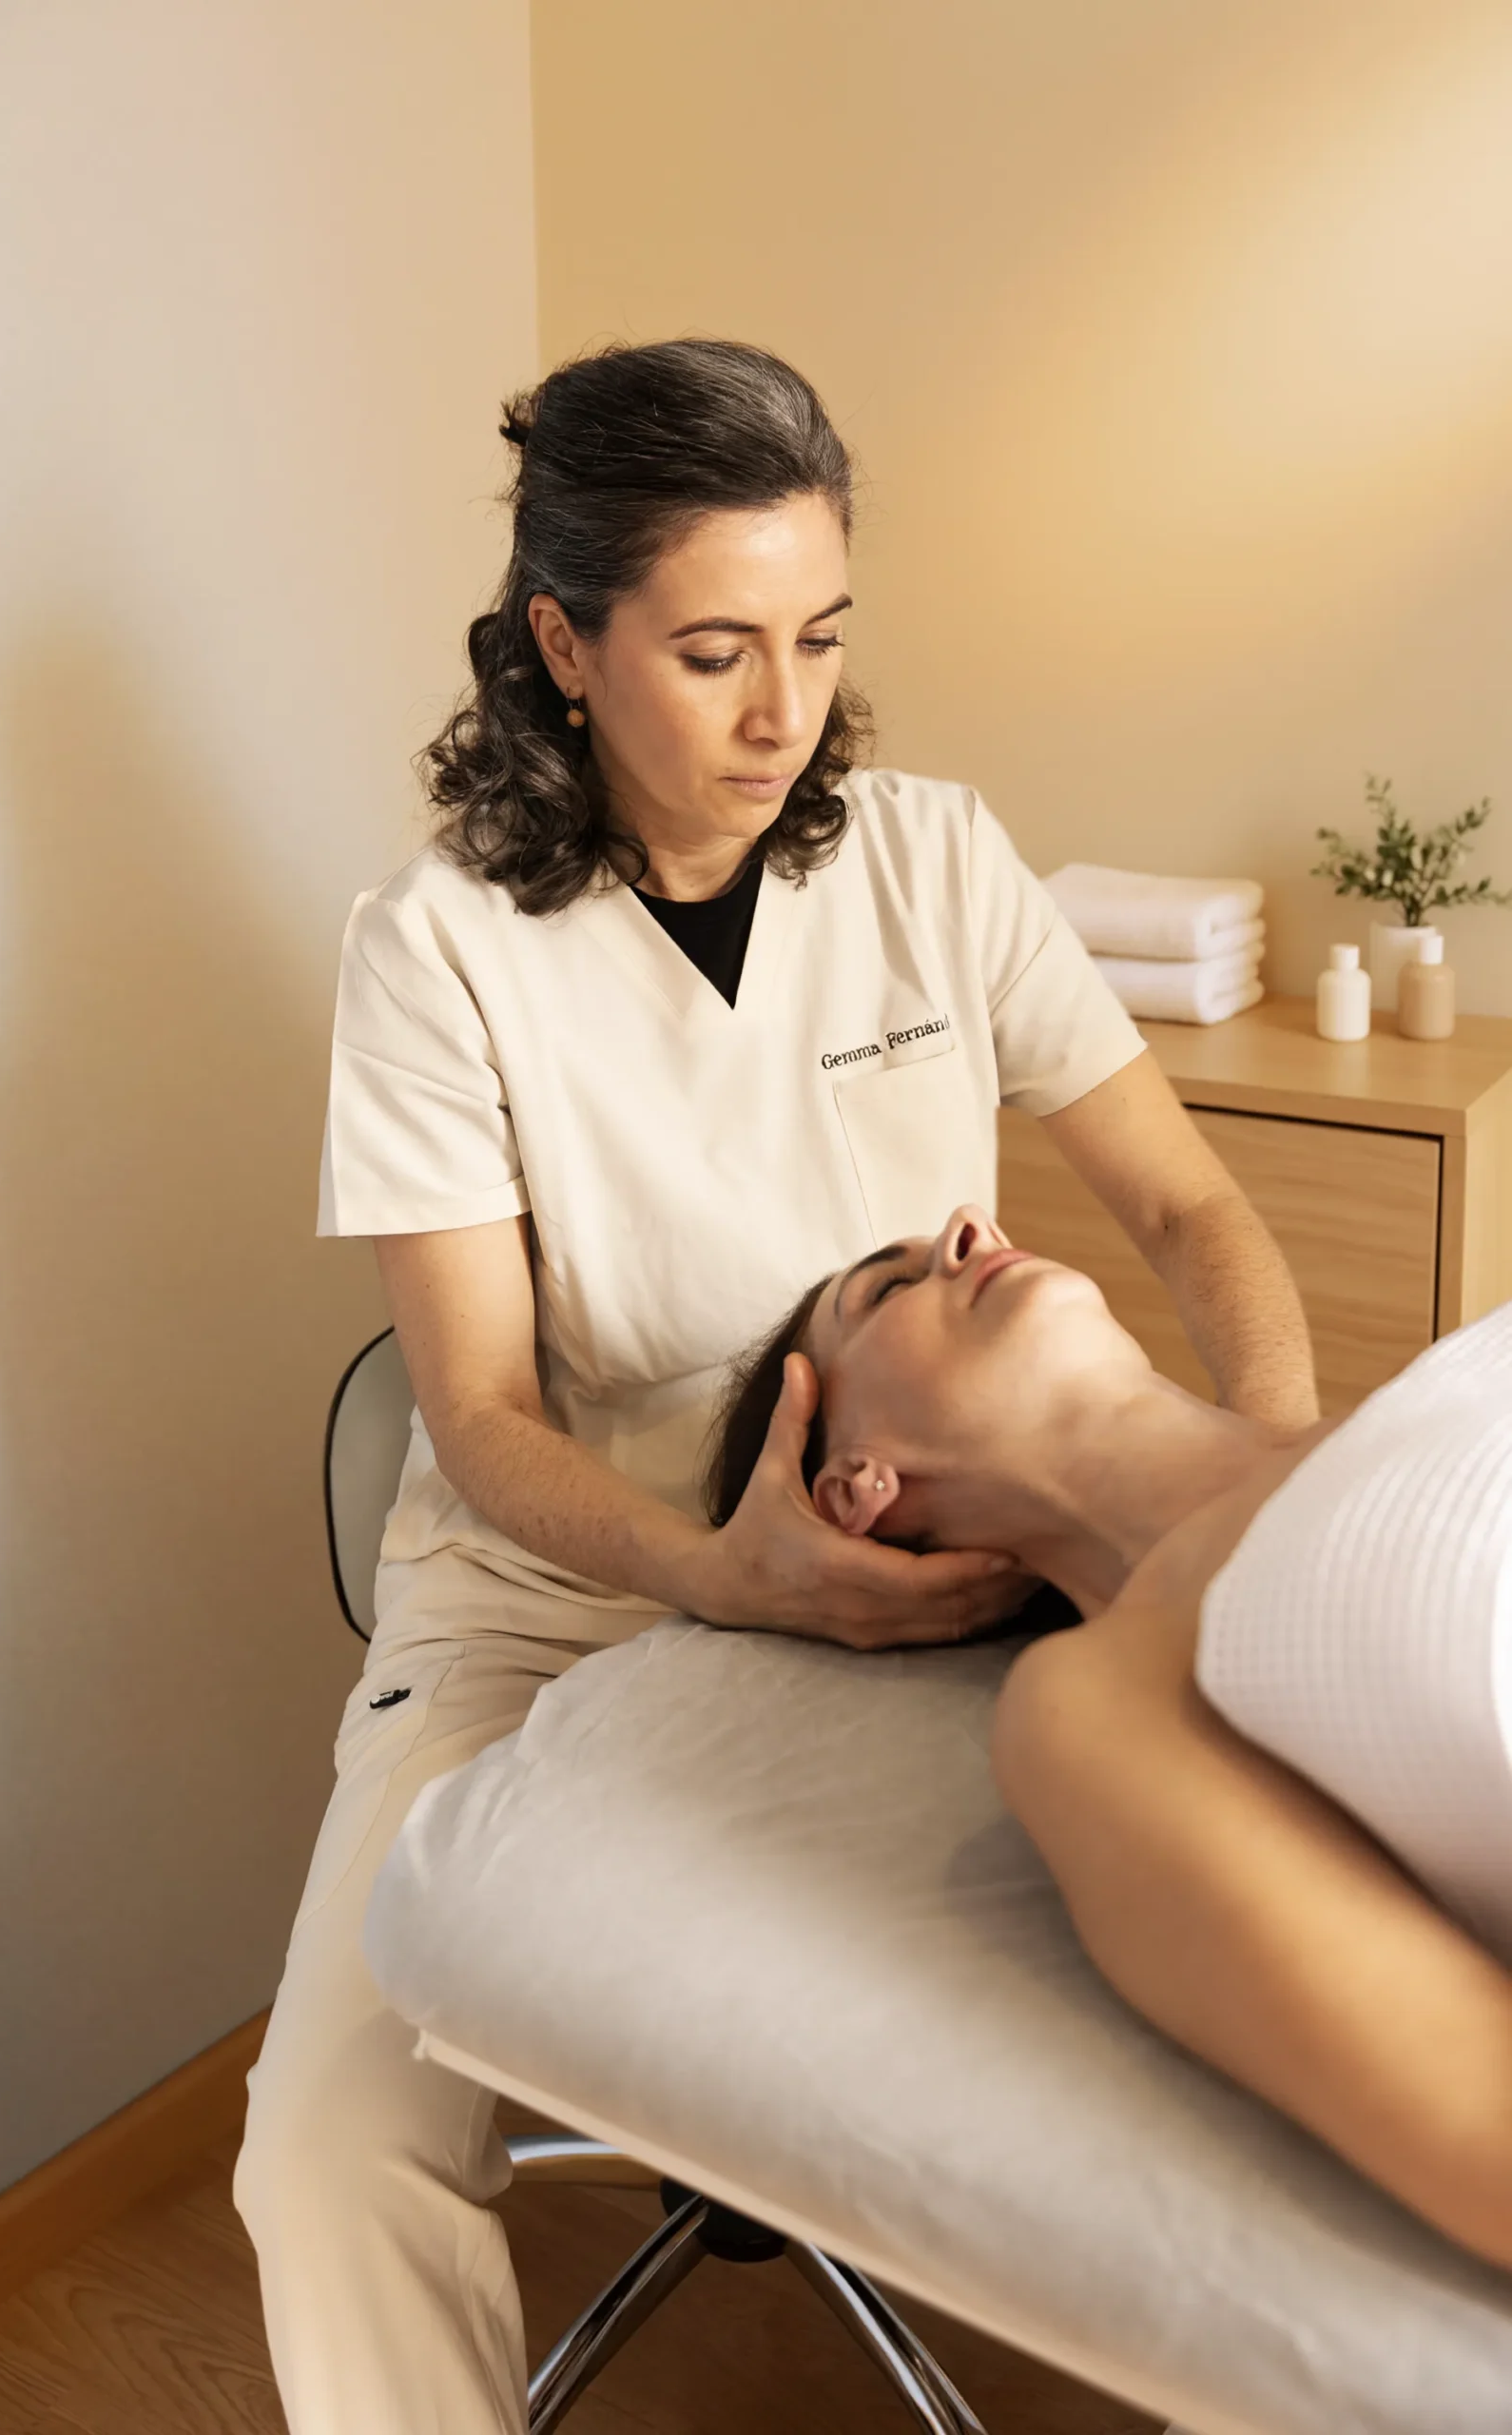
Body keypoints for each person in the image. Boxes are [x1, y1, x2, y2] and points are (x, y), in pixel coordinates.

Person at [235, 337, 1318, 2435]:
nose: (779, 710)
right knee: (327, 2154)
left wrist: (1252, 1489)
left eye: (818, 637)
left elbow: (1190, 1214)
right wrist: (722, 1575)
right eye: (714, 648)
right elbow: (479, 1420)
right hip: (545, 1595)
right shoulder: (439, 950)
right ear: (562, 642)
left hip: (914, 1565)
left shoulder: (925, 859)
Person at [706, 1202, 1512, 2272]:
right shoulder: (1100, 1703)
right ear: (856, 1491)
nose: (965, 1225)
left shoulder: (1430, 1388)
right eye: (888, 1290)